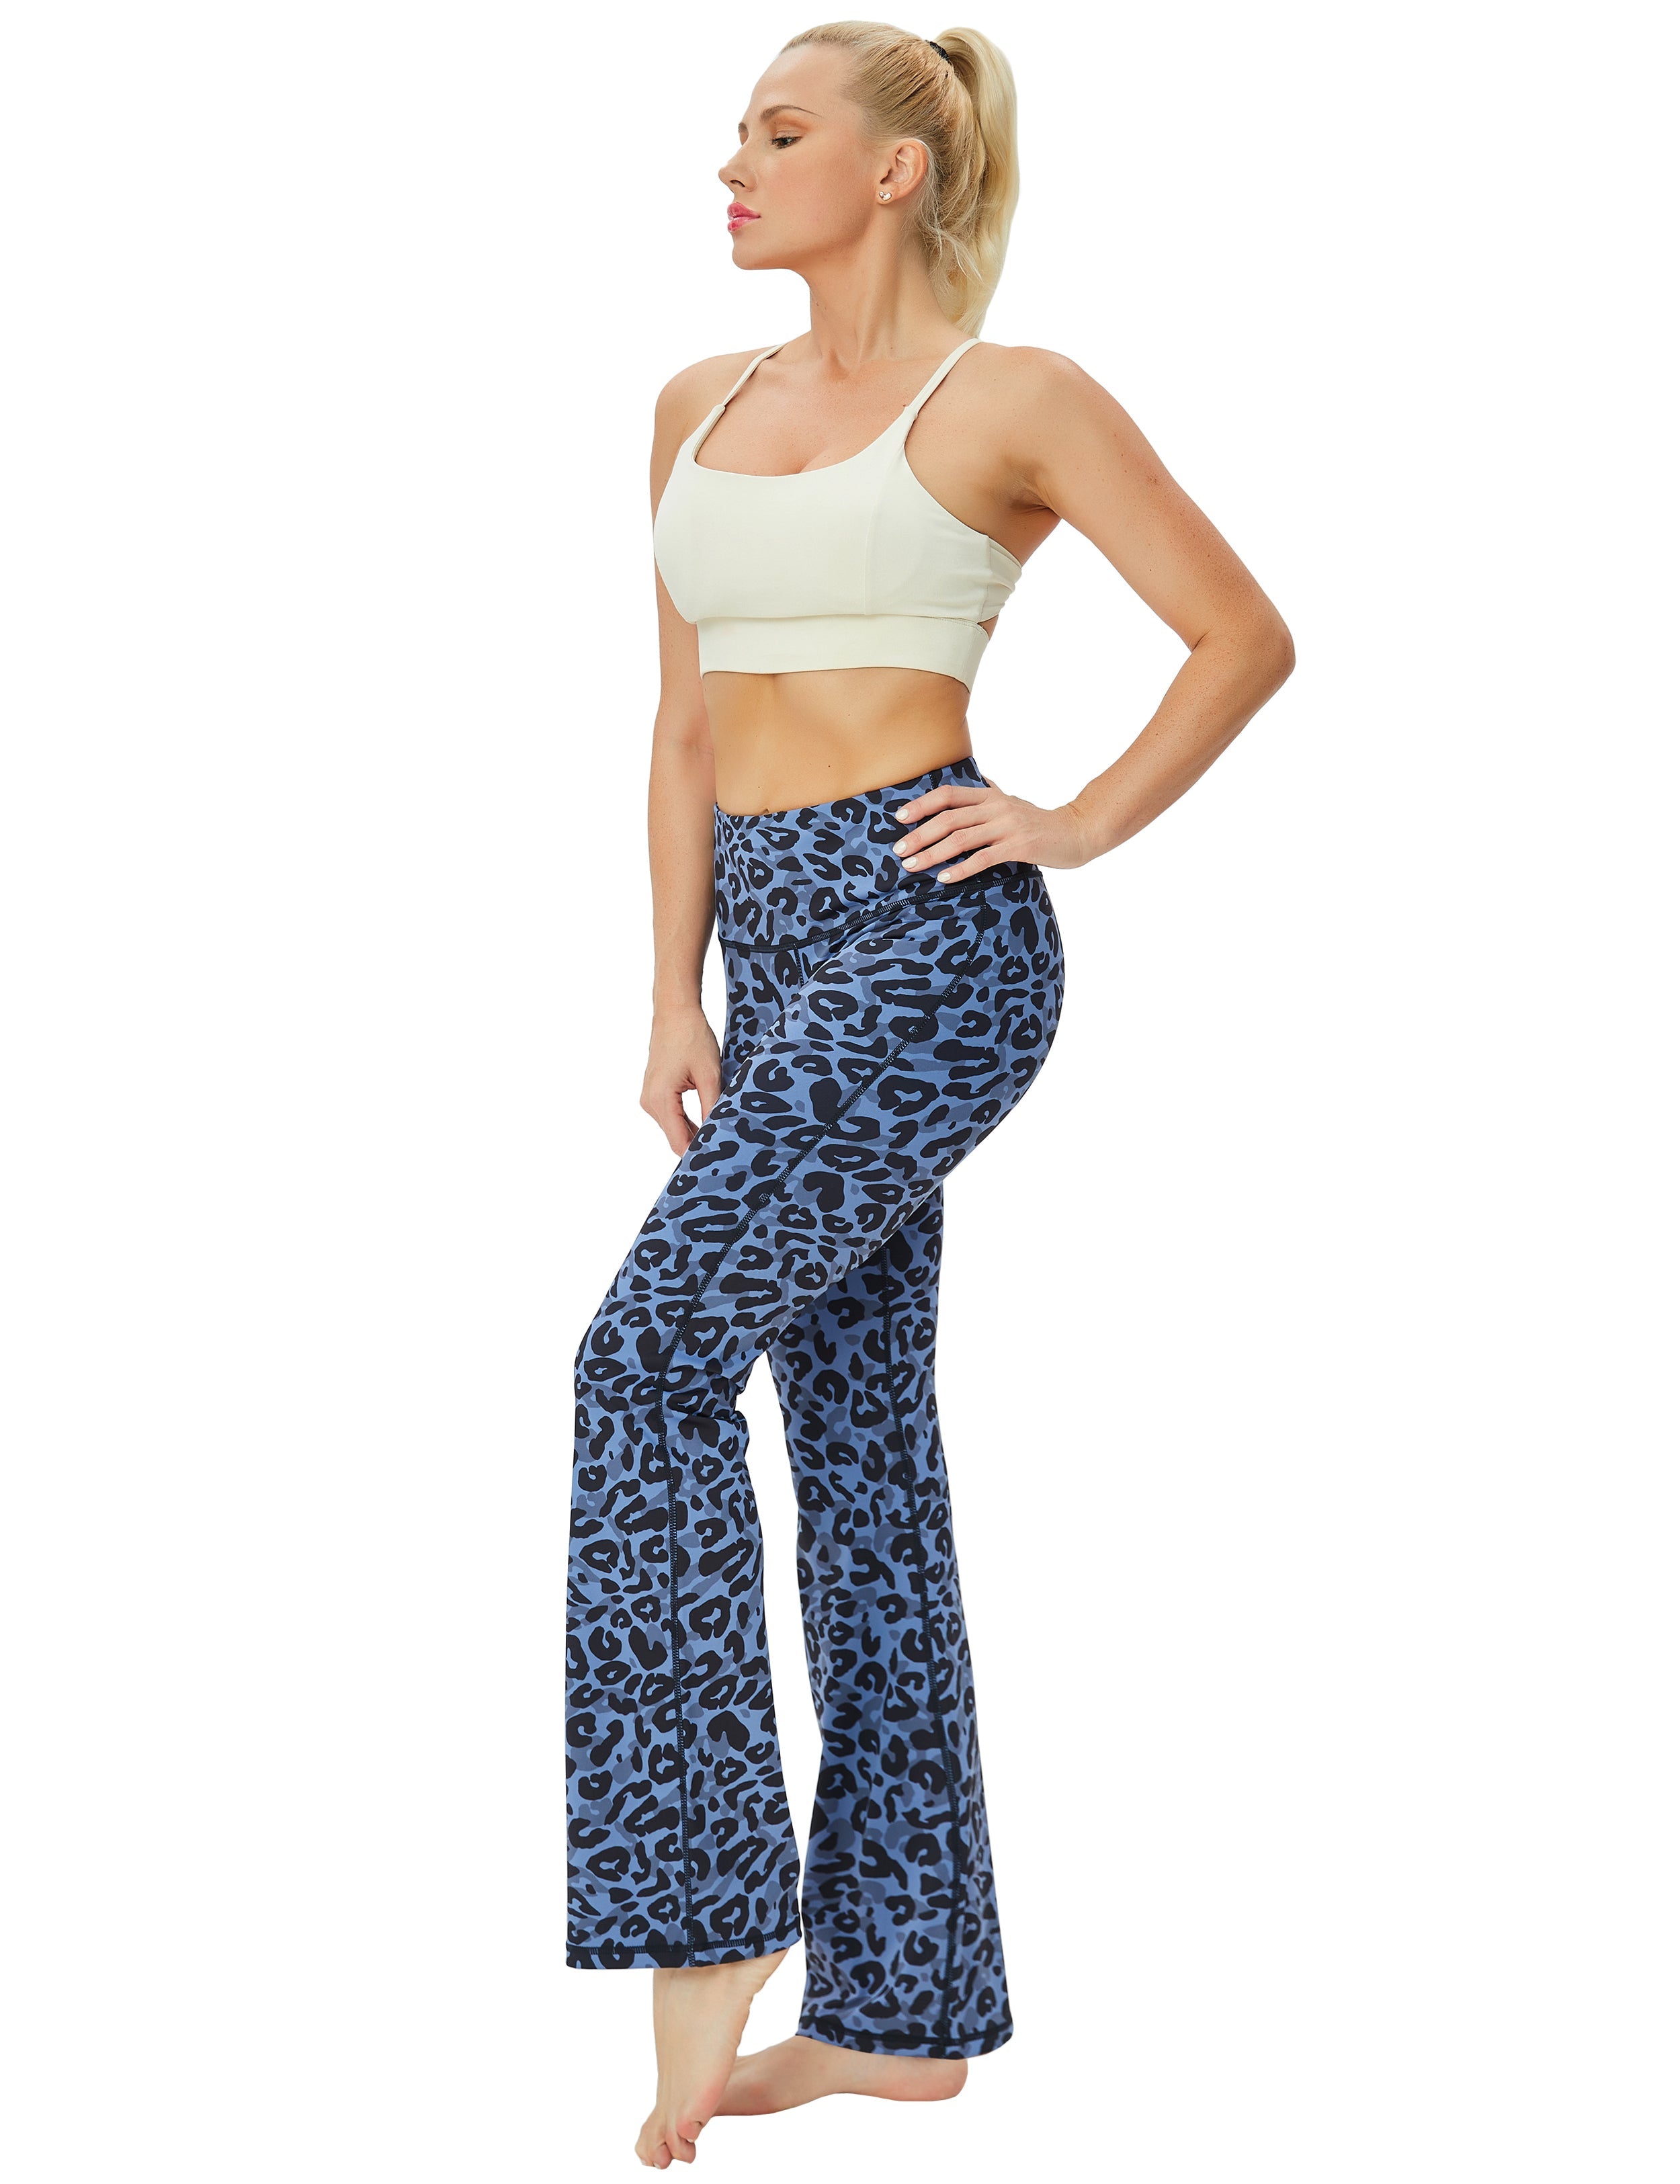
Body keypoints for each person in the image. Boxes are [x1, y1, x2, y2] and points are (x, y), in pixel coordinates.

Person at [569, 20, 1294, 2169]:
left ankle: (708, 1915)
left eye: (779, 132)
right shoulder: (691, 407)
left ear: (894, 172)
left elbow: (1241, 635)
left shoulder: (1012, 398)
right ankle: (901, 2012)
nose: (732, 162)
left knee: (641, 1361)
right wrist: (670, 986)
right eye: (737, 129)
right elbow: (682, 726)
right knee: (862, 1456)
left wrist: (1068, 821)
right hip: (769, 949)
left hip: (926, 941)